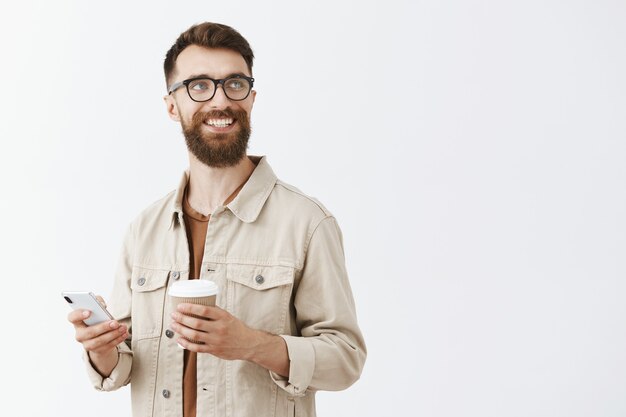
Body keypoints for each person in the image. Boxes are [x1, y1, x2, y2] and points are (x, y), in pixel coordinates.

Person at [67, 22, 366, 417]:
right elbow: (123, 366)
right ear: (172, 106)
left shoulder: (307, 223)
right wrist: (101, 347)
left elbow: (346, 359)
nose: (220, 100)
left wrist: (252, 344)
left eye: (234, 84)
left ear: (252, 98)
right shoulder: (144, 230)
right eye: (199, 86)